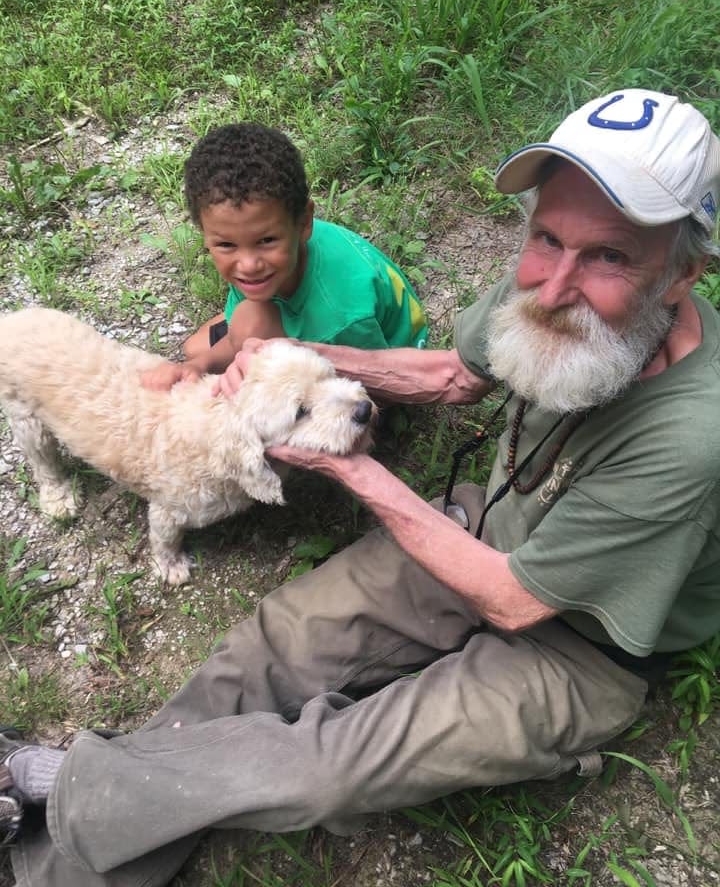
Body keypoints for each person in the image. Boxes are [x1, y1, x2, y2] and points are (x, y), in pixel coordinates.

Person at [3, 88, 720, 886]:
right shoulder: (548, 294)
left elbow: (516, 601)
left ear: (684, 272)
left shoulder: (694, 436)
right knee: (265, 648)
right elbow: (454, 374)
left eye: (610, 256)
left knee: (329, 767)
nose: (553, 288)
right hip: (493, 526)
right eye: (547, 237)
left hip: (580, 650)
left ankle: (44, 783)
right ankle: (61, 847)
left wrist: (353, 467)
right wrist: (300, 361)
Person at [140, 122, 428, 390]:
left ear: (304, 223)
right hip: (317, 314)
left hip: (376, 359)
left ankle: (269, 331)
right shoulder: (268, 240)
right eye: (226, 245)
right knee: (197, 349)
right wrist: (198, 365)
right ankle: (263, 327)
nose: (249, 265)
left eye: (266, 241)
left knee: (250, 336)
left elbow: (375, 383)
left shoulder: (343, 318)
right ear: (205, 234)